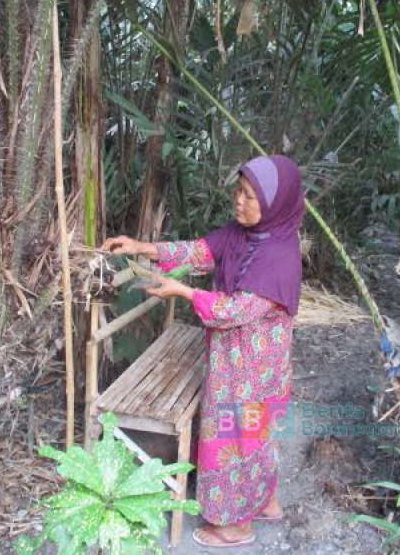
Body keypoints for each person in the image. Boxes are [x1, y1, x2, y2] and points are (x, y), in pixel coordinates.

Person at [100, 154, 304, 547]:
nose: (238, 201)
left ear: (275, 203)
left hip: (248, 369)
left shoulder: (279, 255)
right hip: (243, 361)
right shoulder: (247, 233)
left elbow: (233, 311)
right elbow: (200, 251)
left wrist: (184, 291)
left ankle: (235, 525)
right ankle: (265, 502)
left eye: (249, 196)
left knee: (236, 434)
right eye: (238, 191)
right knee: (255, 434)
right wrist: (142, 247)